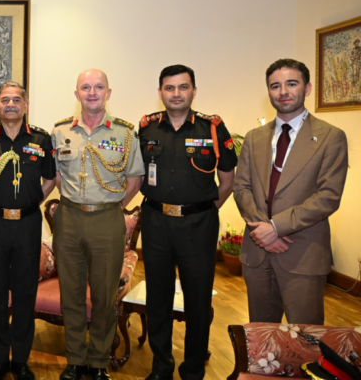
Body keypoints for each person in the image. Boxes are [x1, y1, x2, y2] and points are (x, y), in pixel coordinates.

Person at [138, 65, 237, 380]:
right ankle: (161, 367)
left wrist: (202, 210)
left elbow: (227, 180)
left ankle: (193, 370)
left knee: (197, 300)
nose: (176, 93)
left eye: (183, 87)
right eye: (169, 88)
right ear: (160, 92)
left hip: (198, 226)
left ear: (194, 90)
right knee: (158, 297)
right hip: (155, 222)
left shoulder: (212, 128)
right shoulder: (147, 128)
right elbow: (136, 174)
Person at [233, 58, 348, 325]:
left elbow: (328, 196)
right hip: (257, 252)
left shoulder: (331, 137)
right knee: (261, 334)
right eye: (275, 86)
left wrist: (276, 227)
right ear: (269, 91)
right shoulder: (253, 137)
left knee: (305, 335)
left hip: (303, 253)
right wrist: (263, 231)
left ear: (307, 88)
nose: (283, 91)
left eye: (291, 84)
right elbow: (241, 187)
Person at [51, 69, 143, 380]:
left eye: (99, 87)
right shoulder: (60, 131)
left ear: (108, 93)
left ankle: (100, 362)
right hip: (69, 219)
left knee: (105, 296)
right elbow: (55, 176)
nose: (92, 92)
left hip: (107, 219)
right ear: (76, 94)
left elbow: (135, 179)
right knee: (71, 294)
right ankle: (76, 360)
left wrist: (111, 205)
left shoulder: (126, 133)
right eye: (86, 87)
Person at [0, 81, 56, 380]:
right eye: (5, 100)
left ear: (26, 105)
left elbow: (49, 180)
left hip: (28, 225)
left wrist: (28, 204)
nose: (11, 105)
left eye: (17, 100)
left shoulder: (41, 140)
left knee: (24, 292)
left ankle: (20, 359)